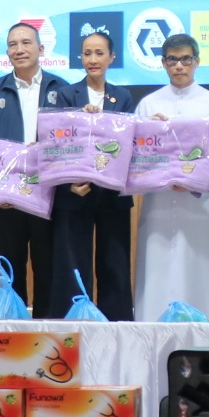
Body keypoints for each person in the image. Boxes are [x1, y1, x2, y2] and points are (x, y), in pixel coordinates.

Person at [133, 33, 209, 322]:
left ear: (197, 61)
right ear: (163, 63)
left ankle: (208, 331)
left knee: (204, 267)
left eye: (186, 59)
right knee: (159, 268)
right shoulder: (148, 104)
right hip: (160, 202)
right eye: (172, 60)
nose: (179, 66)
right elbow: (136, 155)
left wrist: (194, 178)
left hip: (202, 205)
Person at [0, 21, 70, 317]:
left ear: (41, 49)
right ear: (7, 53)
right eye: (13, 45)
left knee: (48, 266)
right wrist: (1, 192)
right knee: (11, 268)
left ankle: (46, 329)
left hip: (48, 196)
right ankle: (14, 329)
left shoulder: (61, 89)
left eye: (26, 43)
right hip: (7, 201)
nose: (19, 49)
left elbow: (69, 141)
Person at [50, 30, 134, 319]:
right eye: (87, 53)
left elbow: (127, 143)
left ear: (112, 57)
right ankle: (73, 324)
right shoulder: (66, 95)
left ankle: (117, 325)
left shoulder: (123, 96)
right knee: (73, 265)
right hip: (76, 191)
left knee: (115, 264)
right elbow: (57, 145)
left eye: (99, 53)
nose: (93, 59)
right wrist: (69, 184)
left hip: (112, 193)